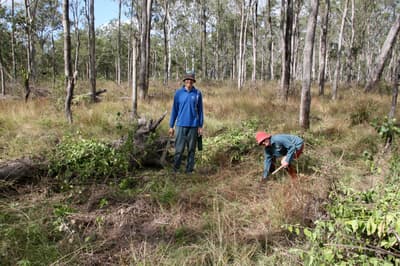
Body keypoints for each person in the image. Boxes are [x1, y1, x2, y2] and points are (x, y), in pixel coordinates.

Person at [169, 72, 204, 173]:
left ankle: (189, 170)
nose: (189, 83)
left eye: (191, 81)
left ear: (193, 82)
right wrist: (171, 126)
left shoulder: (197, 94)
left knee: (191, 150)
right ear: (184, 81)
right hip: (180, 125)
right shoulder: (178, 93)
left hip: (193, 125)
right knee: (179, 150)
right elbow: (174, 110)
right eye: (187, 81)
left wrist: (200, 126)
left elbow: (200, 110)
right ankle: (175, 169)